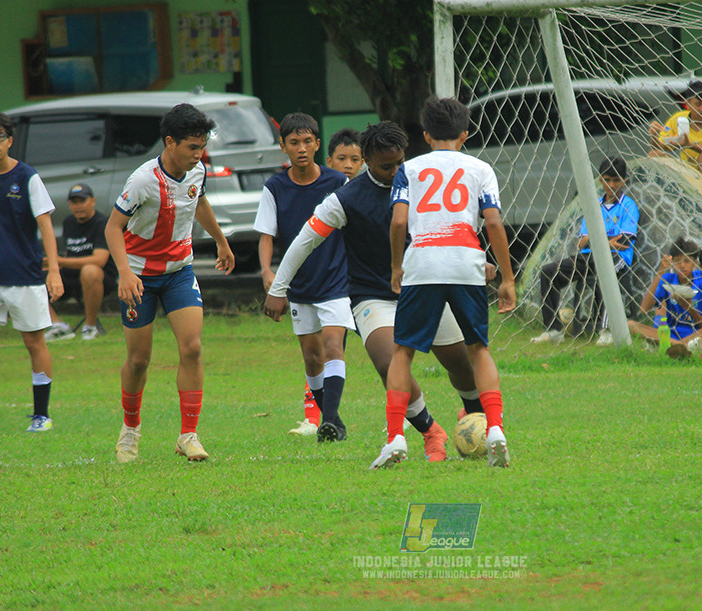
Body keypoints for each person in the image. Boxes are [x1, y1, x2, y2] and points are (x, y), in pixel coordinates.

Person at [265, 121, 486, 461]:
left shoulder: (420, 182)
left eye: (400, 162)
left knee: (458, 363)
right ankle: (430, 431)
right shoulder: (346, 199)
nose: (396, 171)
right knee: (388, 362)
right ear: (367, 160)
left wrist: (474, 258)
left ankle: (475, 420)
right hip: (373, 295)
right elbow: (304, 241)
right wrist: (278, 287)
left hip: (426, 285)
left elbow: (458, 221)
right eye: (387, 166)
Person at [372, 97, 516, 469]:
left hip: (423, 264)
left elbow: (399, 223)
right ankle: (496, 428)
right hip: (466, 263)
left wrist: (396, 267)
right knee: (478, 349)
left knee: (403, 352)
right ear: (465, 134)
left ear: (425, 135)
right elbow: (494, 224)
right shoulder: (480, 168)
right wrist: (507, 277)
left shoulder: (409, 169)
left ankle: (395, 438)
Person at [106, 103, 235, 463]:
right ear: (170, 142)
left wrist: (221, 242)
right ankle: (130, 432)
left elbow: (200, 202)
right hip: (140, 278)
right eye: (193, 147)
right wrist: (125, 273)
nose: (199, 154)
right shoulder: (143, 180)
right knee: (139, 360)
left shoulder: (197, 172)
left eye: (202, 147)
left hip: (180, 271)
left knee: (192, 348)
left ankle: (188, 436)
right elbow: (112, 227)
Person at [0, 110, 64, 434]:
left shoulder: (28, 176)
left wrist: (54, 270)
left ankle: (41, 415)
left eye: (0, 137)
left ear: (10, 140)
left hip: (25, 273)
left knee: (34, 343)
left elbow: (45, 224)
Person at [256, 112, 352, 443]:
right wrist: (267, 272)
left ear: (317, 144)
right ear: (283, 146)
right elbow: (266, 235)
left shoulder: (337, 183)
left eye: (307, 141)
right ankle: (332, 422)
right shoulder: (275, 187)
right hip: (299, 285)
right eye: (294, 142)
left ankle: (330, 419)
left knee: (332, 346)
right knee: (311, 358)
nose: (301, 148)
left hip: (335, 281)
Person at [531, 156, 638, 346]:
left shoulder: (628, 205)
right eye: (607, 179)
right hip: (589, 256)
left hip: (618, 257)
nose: (611, 184)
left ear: (624, 181)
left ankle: (607, 330)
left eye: (616, 180)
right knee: (548, 272)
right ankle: (554, 330)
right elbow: (582, 243)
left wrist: (595, 240)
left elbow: (624, 242)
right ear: (600, 180)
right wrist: (605, 240)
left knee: (606, 271)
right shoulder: (593, 205)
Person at [44, 183, 117, 342]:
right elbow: (69, 253)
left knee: (89, 270)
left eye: (82, 201)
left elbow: (100, 259)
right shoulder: (69, 222)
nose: (78, 206)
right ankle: (58, 326)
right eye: (74, 202)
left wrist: (60, 261)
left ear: (93, 201)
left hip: (101, 278)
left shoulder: (102, 223)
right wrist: (52, 265)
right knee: (34, 275)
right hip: (71, 276)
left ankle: (90, 327)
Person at [627, 238, 702, 351]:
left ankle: (676, 346)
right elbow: (644, 309)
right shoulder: (667, 280)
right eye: (677, 261)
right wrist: (660, 271)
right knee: (630, 324)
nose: (682, 266)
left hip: (696, 335)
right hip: (670, 333)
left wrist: (690, 309)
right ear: (672, 262)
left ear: (695, 263)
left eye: (686, 261)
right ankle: (681, 347)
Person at [649, 80, 702, 188]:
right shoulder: (678, 119)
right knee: (654, 154)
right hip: (688, 171)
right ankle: (656, 190)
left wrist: (689, 145)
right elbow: (662, 146)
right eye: (698, 104)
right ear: (688, 104)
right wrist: (653, 136)